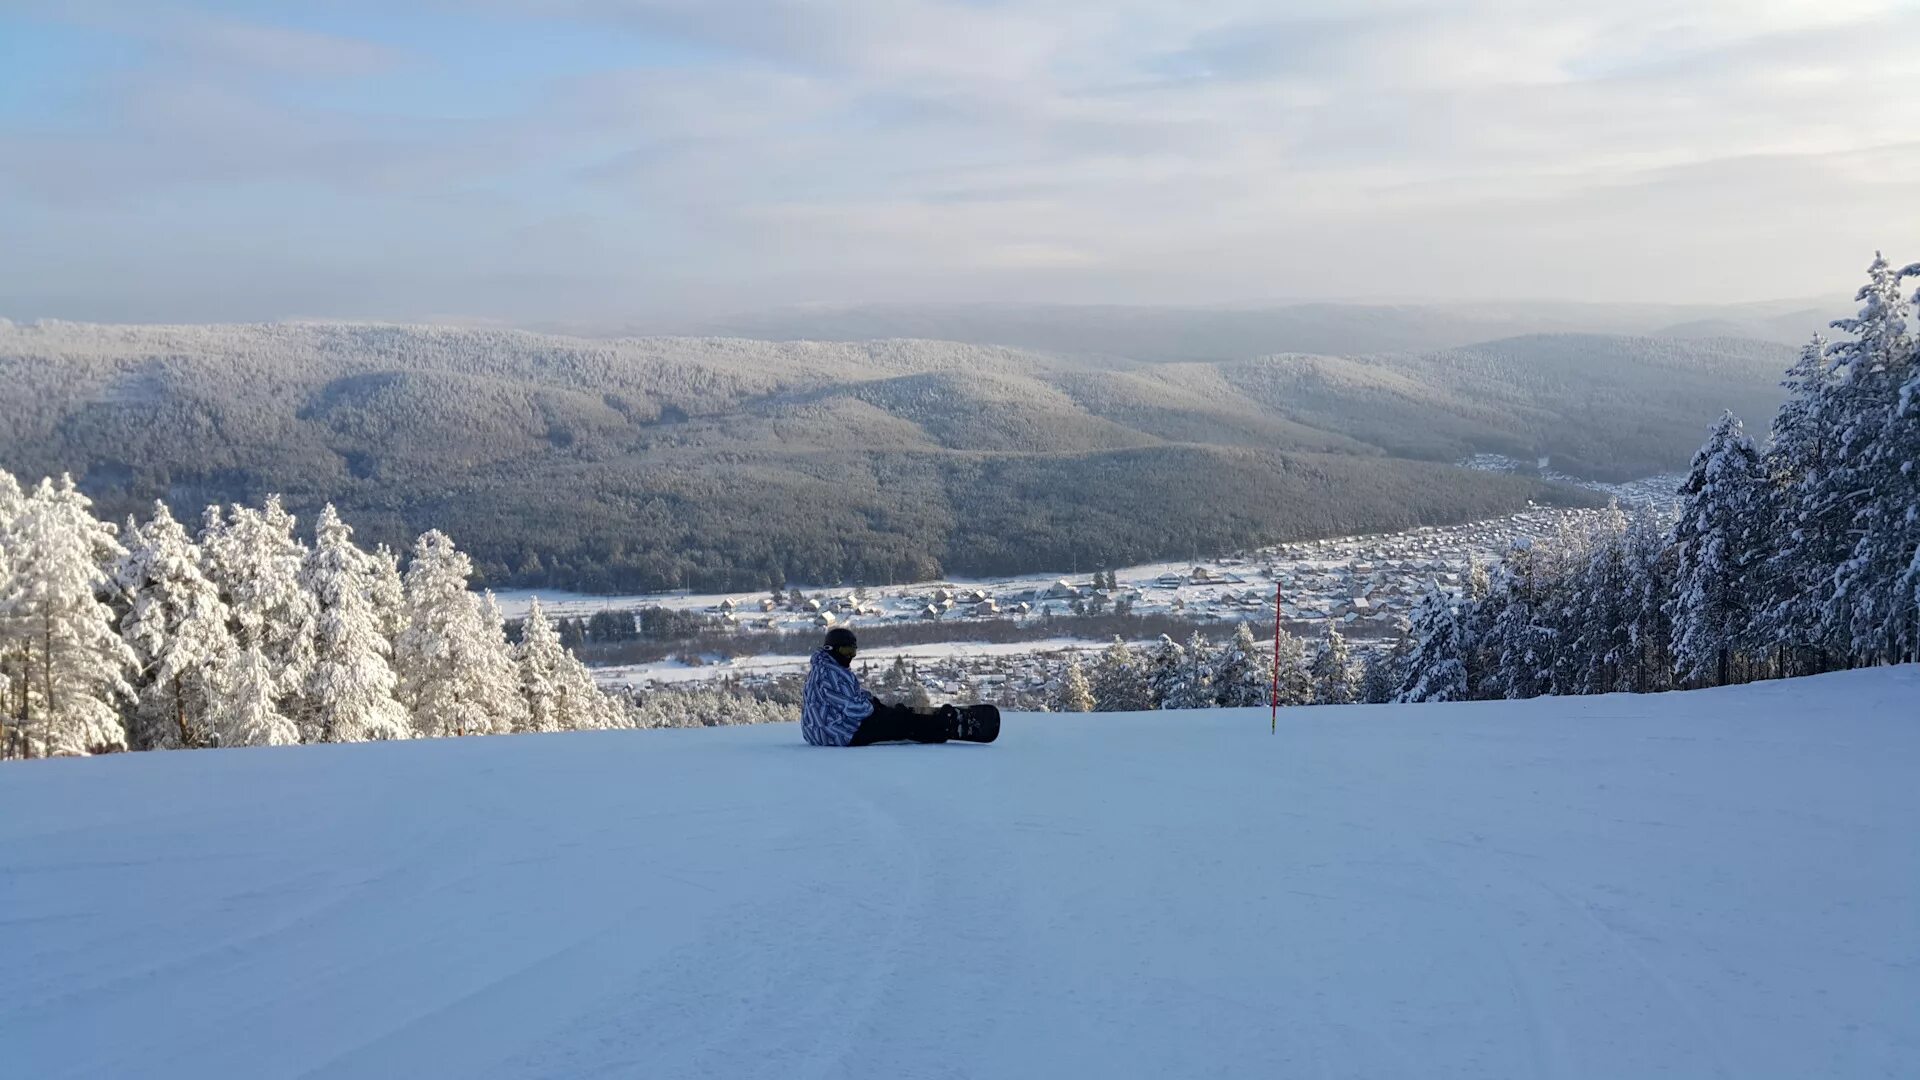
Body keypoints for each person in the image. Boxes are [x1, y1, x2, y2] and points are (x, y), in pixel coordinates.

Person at [802, 627, 957, 746]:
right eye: (846, 651)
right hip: (839, 733)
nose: (850, 656)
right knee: (898, 723)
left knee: (889, 714)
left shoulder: (821, 668)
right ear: (831, 649)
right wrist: (873, 707)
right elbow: (855, 709)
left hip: (818, 732)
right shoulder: (832, 673)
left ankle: (922, 721)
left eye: (853, 651)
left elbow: (846, 697)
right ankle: (941, 727)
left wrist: (870, 700)